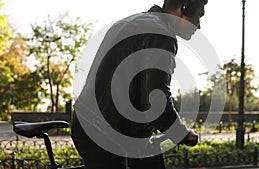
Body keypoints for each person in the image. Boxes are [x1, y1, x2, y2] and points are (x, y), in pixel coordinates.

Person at [71, 0, 208, 168]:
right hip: (106, 135)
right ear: (185, 8)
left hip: (88, 123)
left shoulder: (131, 21)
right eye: (198, 16)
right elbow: (156, 97)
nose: (199, 25)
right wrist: (182, 134)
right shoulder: (161, 35)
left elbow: (129, 83)